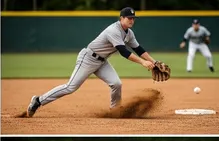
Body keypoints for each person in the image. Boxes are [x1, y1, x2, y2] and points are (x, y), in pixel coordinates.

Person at [26, 7, 158, 118]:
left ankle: (115, 111)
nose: (132, 20)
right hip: (88, 58)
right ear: (121, 18)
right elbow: (123, 52)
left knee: (116, 83)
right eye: (129, 18)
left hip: (102, 61)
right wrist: (142, 63)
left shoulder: (129, 33)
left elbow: (138, 49)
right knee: (70, 87)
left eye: (133, 18)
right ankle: (38, 100)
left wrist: (154, 62)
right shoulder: (114, 30)